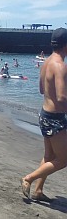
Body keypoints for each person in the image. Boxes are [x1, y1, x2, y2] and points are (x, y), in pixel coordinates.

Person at [22, 28, 67, 202]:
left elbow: (42, 90)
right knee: (63, 160)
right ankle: (29, 179)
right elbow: (62, 97)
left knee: (49, 156)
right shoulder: (60, 66)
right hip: (55, 119)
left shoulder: (47, 62)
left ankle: (38, 191)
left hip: (45, 114)